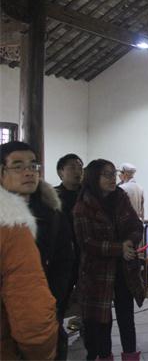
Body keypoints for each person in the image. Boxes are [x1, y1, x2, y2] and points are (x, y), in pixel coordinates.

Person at [1, 141, 74, 360]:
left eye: (33, 166)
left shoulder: (53, 213)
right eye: (18, 166)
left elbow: (65, 262)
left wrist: (53, 304)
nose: (28, 172)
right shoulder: (7, 223)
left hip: (44, 311)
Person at [73, 159, 145, 361]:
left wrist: (129, 243)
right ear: (94, 177)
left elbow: (136, 225)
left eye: (114, 173)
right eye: (106, 174)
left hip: (124, 268)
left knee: (126, 317)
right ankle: (105, 356)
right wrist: (119, 248)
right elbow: (86, 242)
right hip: (97, 272)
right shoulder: (83, 206)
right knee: (102, 320)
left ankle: (130, 355)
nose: (112, 178)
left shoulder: (120, 197)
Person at [0, 185, 59, 360]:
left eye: (33, 171)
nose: (28, 174)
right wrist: (42, 353)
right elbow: (33, 320)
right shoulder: (10, 221)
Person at [55, 153, 84, 331]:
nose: (77, 171)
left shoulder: (88, 195)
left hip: (86, 253)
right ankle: (56, 330)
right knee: (61, 295)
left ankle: (85, 325)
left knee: (87, 294)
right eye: (72, 167)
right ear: (60, 172)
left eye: (80, 167)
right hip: (63, 256)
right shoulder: (52, 196)